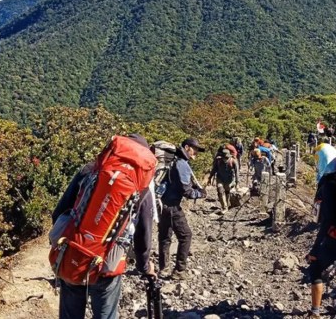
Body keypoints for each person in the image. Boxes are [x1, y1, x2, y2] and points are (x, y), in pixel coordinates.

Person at [52, 133, 156, 319]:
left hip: (74, 253)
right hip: (107, 264)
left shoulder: (89, 171)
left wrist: (67, 245)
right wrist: (144, 266)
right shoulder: (142, 189)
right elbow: (143, 234)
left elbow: (59, 212)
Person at [305, 168, 336, 318]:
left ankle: (315, 312)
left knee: (315, 269)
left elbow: (327, 220)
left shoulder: (329, 185)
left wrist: (314, 249)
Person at [158, 137, 207, 280]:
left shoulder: (173, 161)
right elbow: (187, 191)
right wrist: (200, 193)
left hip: (161, 204)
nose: (196, 152)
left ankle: (163, 268)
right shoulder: (182, 164)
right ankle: (179, 270)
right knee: (186, 236)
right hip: (172, 206)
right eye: (195, 149)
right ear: (187, 147)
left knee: (165, 237)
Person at [208, 147, 239, 213]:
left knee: (227, 192)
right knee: (220, 191)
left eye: (227, 158)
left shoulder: (233, 161)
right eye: (224, 158)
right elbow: (214, 169)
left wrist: (237, 182)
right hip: (220, 178)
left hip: (229, 179)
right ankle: (224, 207)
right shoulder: (218, 161)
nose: (225, 159)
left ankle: (227, 204)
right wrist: (210, 177)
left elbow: (237, 172)